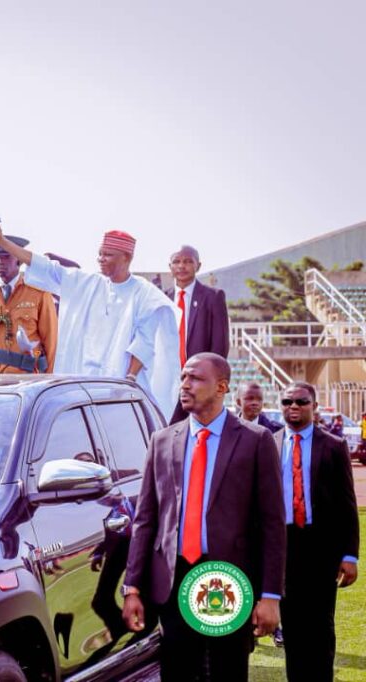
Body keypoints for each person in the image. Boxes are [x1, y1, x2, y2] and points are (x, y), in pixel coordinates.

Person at [122, 353, 285, 681]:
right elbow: (146, 520)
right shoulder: (163, 441)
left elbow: (272, 524)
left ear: (222, 387)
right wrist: (133, 587)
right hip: (174, 581)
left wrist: (270, 595)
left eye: (195, 378)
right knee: (179, 673)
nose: (185, 384)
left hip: (231, 580)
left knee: (227, 672)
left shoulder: (255, 441)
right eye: (183, 377)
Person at [0, 216, 180, 418]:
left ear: (127, 258)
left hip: (119, 391)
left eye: (108, 255)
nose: (101, 259)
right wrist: (3, 242)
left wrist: (129, 378)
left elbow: (144, 342)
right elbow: (47, 267)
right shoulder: (88, 283)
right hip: (82, 386)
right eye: (100, 254)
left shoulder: (144, 293)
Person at [275, 382, 359, 682]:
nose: (293, 406)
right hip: (283, 548)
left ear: (314, 406)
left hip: (321, 548)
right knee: (291, 629)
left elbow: (348, 505)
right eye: (287, 401)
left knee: (321, 626)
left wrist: (350, 555)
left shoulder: (333, 446)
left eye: (301, 401)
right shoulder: (268, 444)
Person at [0, 222, 58, 374]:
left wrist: (48, 380)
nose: (0, 262)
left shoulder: (39, 294)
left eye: (5, 257)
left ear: (18, 260)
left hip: (27, 377)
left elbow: (51, 344)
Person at [165, 246, 230, 423]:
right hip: (169, 379)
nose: (181, 266)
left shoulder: (213, 297)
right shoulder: (162, 298)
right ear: (170, 266)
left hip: (198, 381)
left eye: (188, 261)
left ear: (198, 266)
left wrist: (211, 378)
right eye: (176, 262)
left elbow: (220, 344)